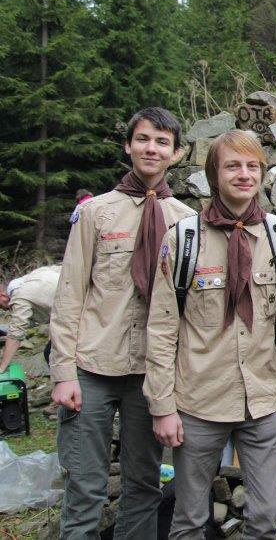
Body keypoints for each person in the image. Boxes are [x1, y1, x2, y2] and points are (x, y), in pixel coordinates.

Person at [48, 107, 195, 538]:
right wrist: (62, 372)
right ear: (128, 145)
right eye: (144, 139)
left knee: (144, 485)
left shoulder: (186, 222)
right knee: (85, 486)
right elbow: (70, 293)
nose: (152, 148)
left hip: (150, 375)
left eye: (162, 142)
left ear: (177, 152)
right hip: (92, 367)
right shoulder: (95, 213)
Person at [144, 131, 276, 538]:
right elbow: (161, 328)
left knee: (265, 519)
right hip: (199, 404)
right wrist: (162, 405)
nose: (244, 175)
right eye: (232, 166)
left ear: (263, 173)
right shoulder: (184, 239)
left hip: (261, 403)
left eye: (252, 166)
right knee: (189, 520)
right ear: (214, 174)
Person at [0, 265, 60, 373]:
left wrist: (2, 368)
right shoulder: (35, 275)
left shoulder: (19, 297)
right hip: (89, 299)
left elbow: (16, 335)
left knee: (51, 353)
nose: (4, 310)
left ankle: (69, 386)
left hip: (80, 313)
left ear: (2, 296)